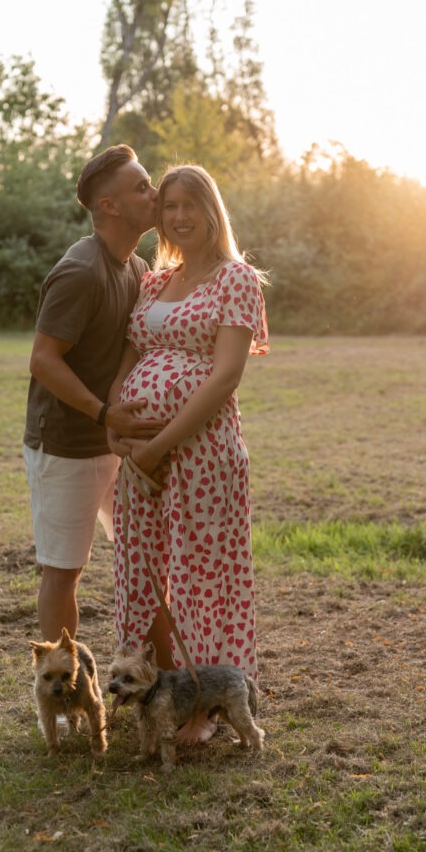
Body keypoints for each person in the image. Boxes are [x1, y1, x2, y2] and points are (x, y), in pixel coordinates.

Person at [107, 164, 269, 743]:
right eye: (169, 205)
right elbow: (129, 361)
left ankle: (207, 710)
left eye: (190, 205)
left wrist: (157, 445)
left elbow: (225, 377)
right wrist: (116, 430)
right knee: (143, 571)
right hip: (138, 457)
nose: (178, 215)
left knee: (205, 576)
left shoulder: (236, 279)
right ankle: (154, 696)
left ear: (212, 210)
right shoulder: (153, 281)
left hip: (202, 455)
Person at [23, 144, 163, 644]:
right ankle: (63, 687)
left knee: (147, 554)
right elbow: (43, 360)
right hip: (65, 446)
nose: (155, 193)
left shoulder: (137, 268)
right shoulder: (81, 271)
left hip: (115, 442)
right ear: (111, 207)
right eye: (142, 187)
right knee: (64, 572)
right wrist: (105, 412)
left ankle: (153, 675)